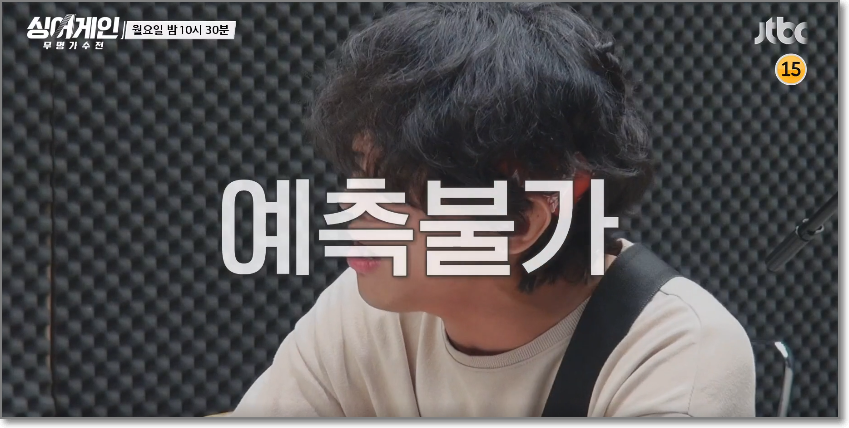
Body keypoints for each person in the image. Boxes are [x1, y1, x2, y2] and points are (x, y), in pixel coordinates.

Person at [232, 3, 756, 417]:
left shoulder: (676, 353)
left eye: (389, 185)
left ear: (523, 219)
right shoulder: (362, 308)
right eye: (357, 172)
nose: (350, 204)